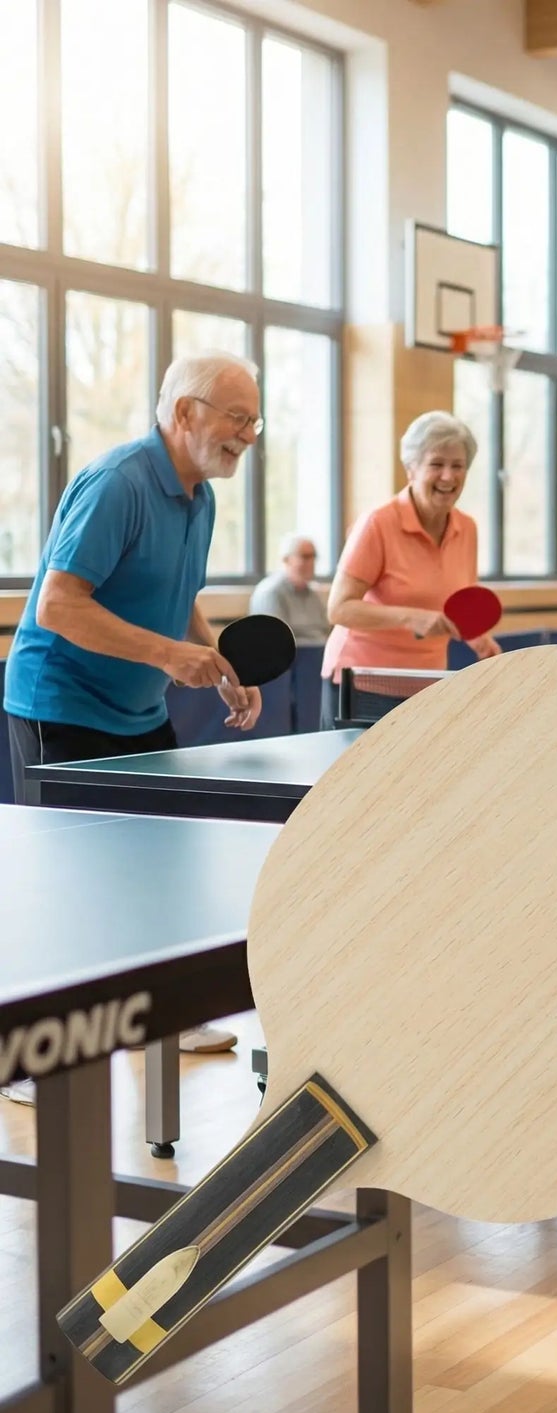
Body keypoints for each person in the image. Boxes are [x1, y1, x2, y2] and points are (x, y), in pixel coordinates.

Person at [4, 350, 268, 1056]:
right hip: (58, 706)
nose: (247, 434)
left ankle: (162, 1025)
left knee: (158, 869)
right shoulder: (118, 483)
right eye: (237, 418)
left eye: (254, 421)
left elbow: (179, 599)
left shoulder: (200, 498)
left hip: (139, 712)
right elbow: (59, 606)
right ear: (184, 413)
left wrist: (216, 665)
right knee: (70, 884)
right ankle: (37, 1066)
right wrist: (167, 655)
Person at [320, 412, 500, 728]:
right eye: (436, 464)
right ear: (410, 470)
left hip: (429, 684)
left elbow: (459, 603)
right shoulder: (377, 523)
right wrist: (409, 617)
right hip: (363, 683)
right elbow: (338, 609)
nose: (448, 476)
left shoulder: (467, 528)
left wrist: (481, 642)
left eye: (458, 466)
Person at [250, 533, 331, 646]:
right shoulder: (270, 592)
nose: (311, 562)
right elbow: (274, 640)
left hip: (317, 655)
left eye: (314, 556)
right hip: (289, 659)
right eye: (305, 557)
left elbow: (325, 630)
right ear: (286, 560)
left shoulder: (313, 594)